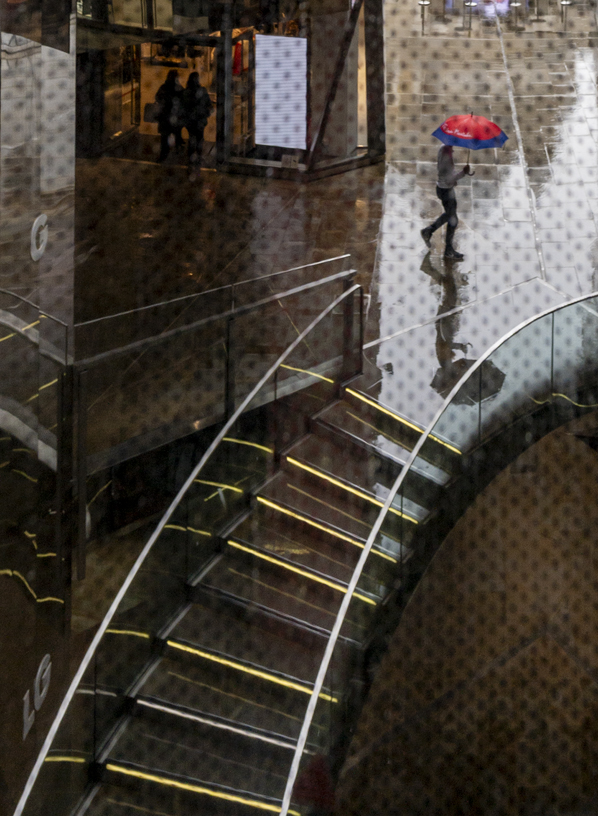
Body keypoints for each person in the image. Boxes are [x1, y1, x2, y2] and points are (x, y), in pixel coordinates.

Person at [421, 145, 470, 261]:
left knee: (450, 216)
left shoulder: (444, 150)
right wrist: (463, 172)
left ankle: (428, 231)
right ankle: (447, 250)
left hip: (445, 189)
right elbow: (449, 179)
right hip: (446, 191)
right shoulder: (446, 156)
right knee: (453, 220)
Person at [183, 72, 213, 169]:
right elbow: (208, 104)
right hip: (200, 119)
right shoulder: (202, 90)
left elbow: (183, 106)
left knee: (192, 137)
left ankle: (191, 157)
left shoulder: (186, 91)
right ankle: (198, 157)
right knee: (200, 138)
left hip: (190, 120)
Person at [155, 69, 185, 163]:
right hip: (175, 116)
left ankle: (164, 155)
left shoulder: (163, 87)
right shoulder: (179, 88)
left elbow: (158, 97)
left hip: (165, 116)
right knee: (176, 133)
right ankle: (177, 149)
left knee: (164, 137)